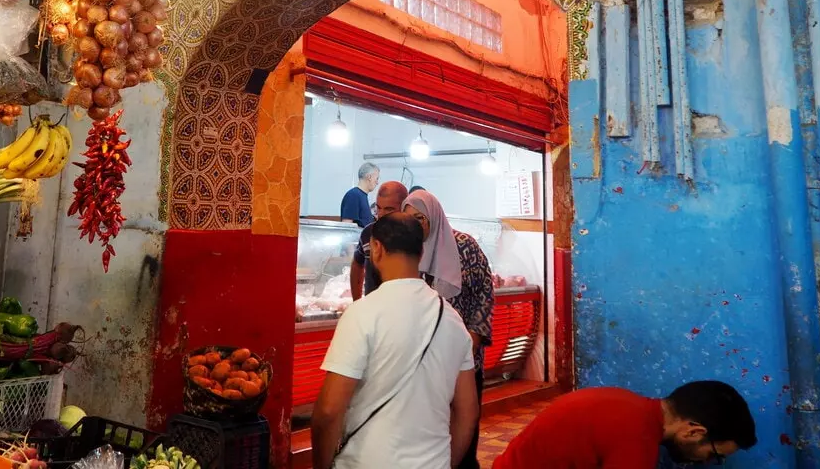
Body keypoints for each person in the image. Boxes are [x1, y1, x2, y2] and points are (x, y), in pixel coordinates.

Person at [311, 213, 481, 469]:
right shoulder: (453, 320)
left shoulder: (362, 313)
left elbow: (329, 411)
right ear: (421, 252)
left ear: (376, 248)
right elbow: (468, 412)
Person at [402, 189, 494, 469]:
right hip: (422, 360)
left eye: (421, 217)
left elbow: (484, 293)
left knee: (464, 423)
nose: (417, 225)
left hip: (463, 355)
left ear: (434, 217)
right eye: (410, 218)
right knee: (429, 430)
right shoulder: (407, 251)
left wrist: (474, 337)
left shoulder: (465, 246)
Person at [493, 380, 757, 468]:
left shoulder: (629, 405)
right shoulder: (637, 442)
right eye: (713, 454)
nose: (707, 462)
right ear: (694, 431)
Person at [349, 181, 408, 301]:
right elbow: (357, 264)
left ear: (404, 207)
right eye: (378, 207)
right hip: (372, 307)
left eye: (389, 209)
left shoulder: (412, 235)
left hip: (401, 310)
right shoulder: (368, 233)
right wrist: (357, 302)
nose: (381, 214)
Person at [340, 162, 379, 227]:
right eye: (377, 178)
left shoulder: (362, 196)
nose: (377, 182)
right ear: (369, 177)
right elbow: (346, 226)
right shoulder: (353, 195)